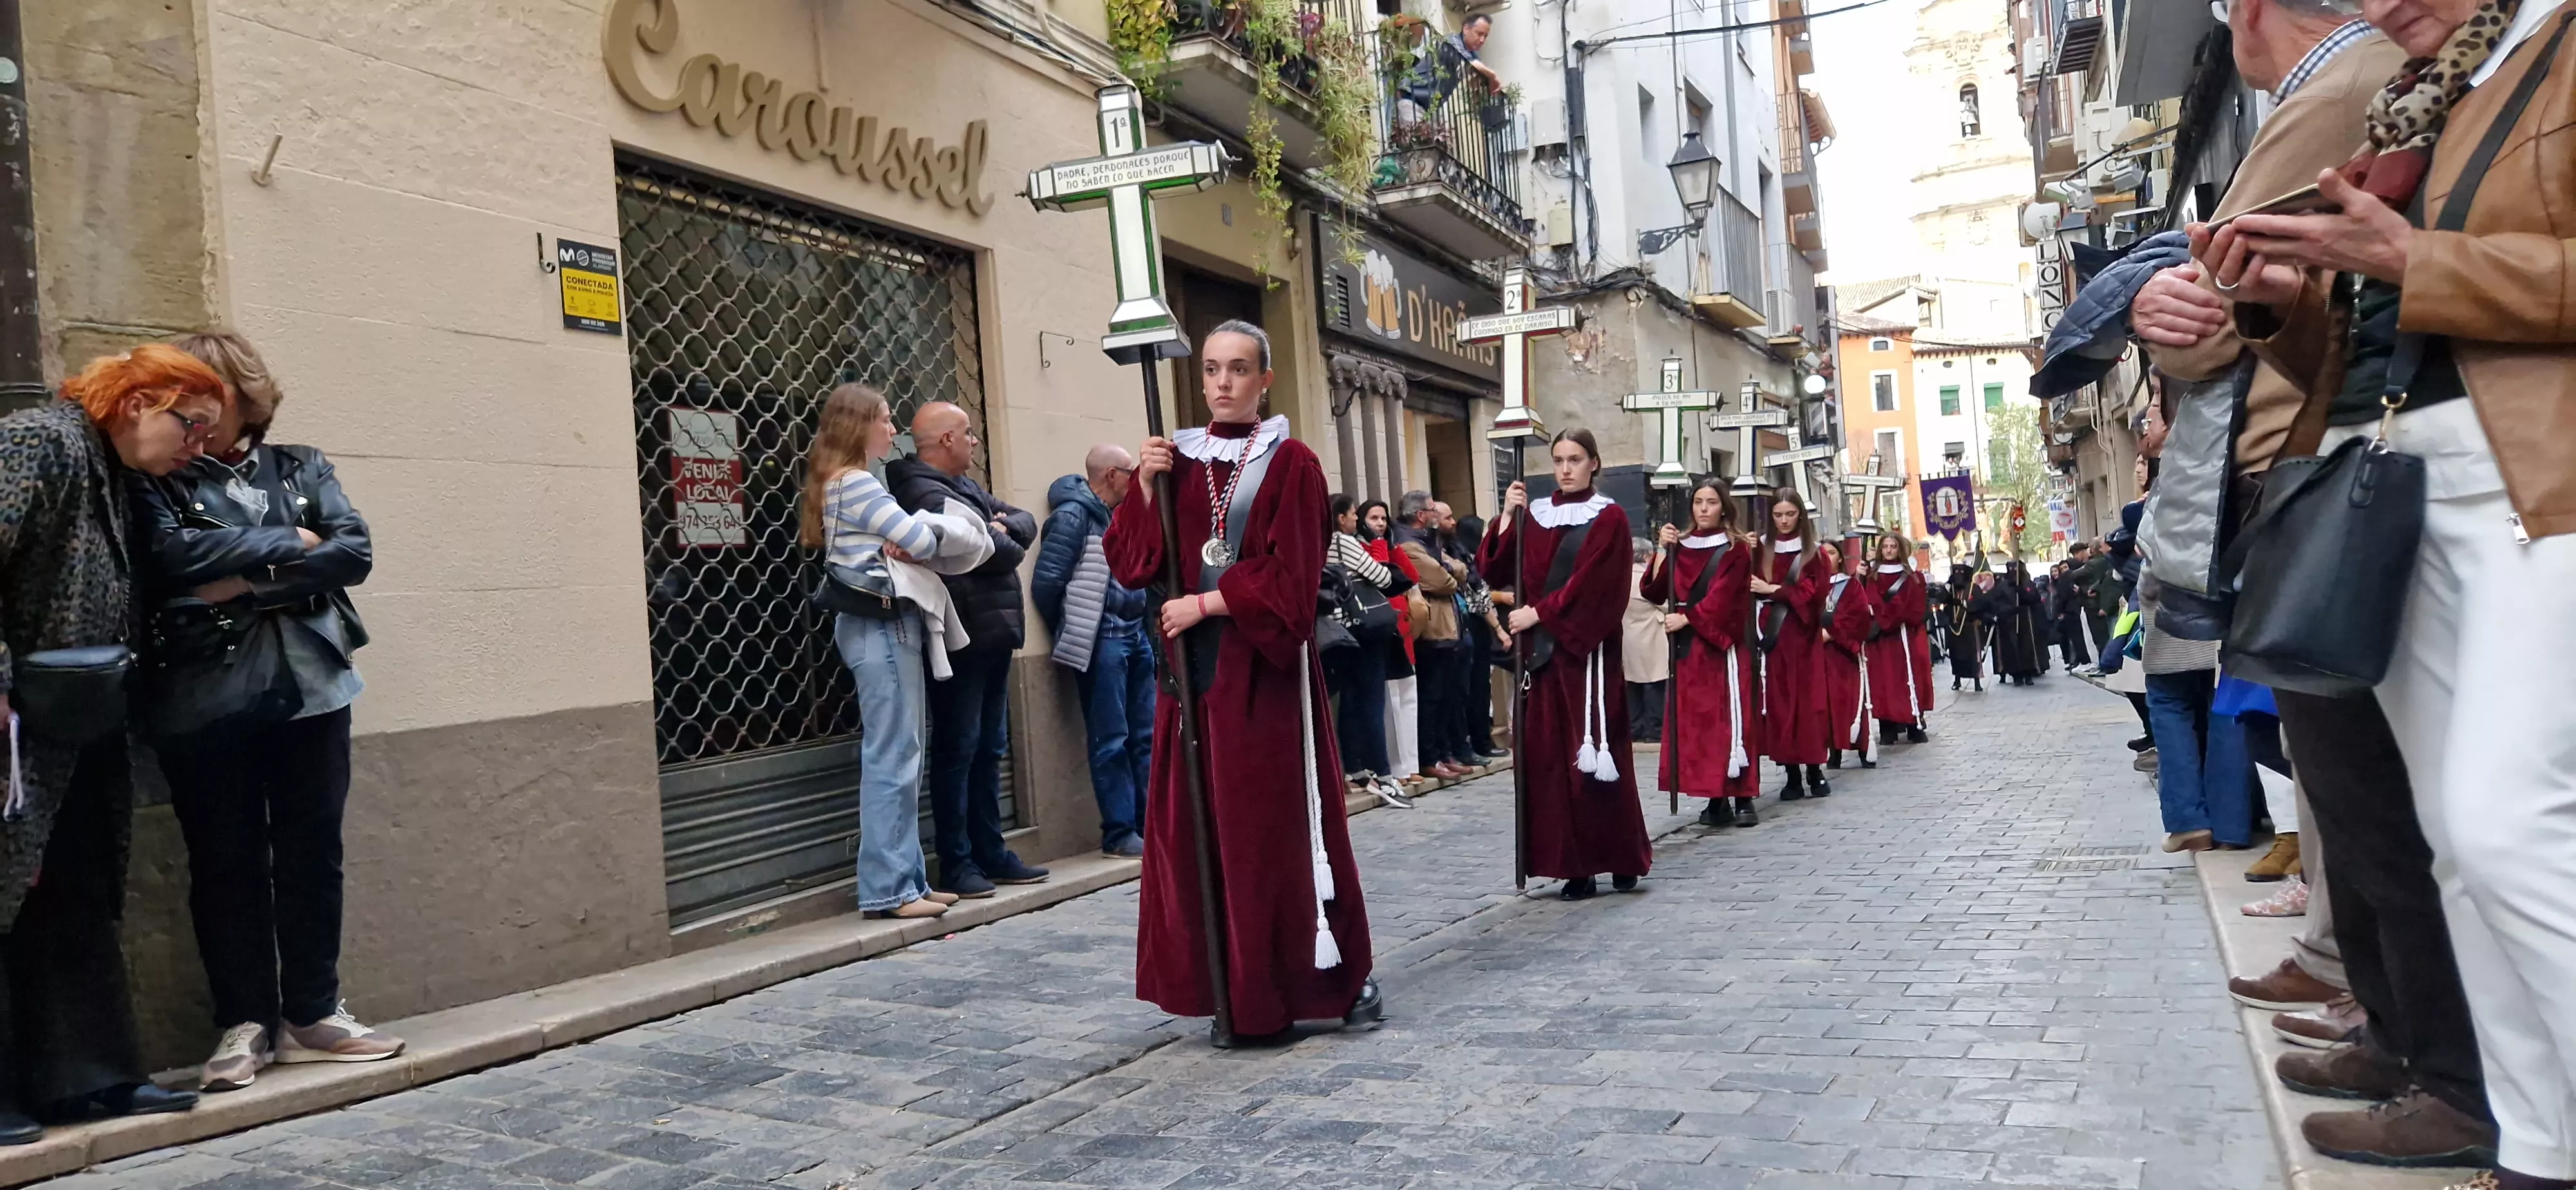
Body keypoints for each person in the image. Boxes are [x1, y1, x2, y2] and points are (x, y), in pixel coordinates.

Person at [2203, 0, 2576, 1171]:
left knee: (2502, 820)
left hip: (2536, 482)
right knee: (2454, 848)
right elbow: (2370, 339)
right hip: (2400, 490)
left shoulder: (2555, 58)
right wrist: (2276, 295)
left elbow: (2445, 283)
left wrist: (2420, 260)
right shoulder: (2421, 103)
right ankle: (2537, 1142)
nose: (2375, 3)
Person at [136, 331, 401, 1095]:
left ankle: (314, 1011)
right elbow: (168, 559)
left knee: (312, 850)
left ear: (242, 400)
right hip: (201, 692)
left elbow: (352, 551)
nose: (190, 421)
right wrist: (294, 543)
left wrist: (249, 585)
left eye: (204, 403)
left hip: (313, 687)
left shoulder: (300, 464)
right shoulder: (157, 478)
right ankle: (246, 1021)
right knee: (226, 860)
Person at [1106, 319, 1378, 1046]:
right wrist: (1142, 486)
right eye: (1212, 370)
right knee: (1202, 832)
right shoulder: (1178, 463)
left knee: (1268, 834)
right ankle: (1224, 986)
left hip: (1261, 682)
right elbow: (1133, 565)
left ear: (1263, 381)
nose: (1223, 383)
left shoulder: (1292, 464)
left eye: (1239, 370)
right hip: (1189, 684)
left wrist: (1209, 601)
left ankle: (1303, 984)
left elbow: (1294, 582)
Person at [0, 345, 225, 1140]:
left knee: (79, 892)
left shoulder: (114, 468)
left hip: (81, 717)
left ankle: (90, 1080)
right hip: (21, 722)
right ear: (139, 403)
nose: (197, 446)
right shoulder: (41, 441)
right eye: (191, 426)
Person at [802, 384, 960, 924]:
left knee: (901, 753)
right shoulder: (860, 485)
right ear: (859, 426)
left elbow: (912, 538)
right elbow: (926, 541)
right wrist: (920, 534)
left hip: (877, 627)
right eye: (886, 420)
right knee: (894, 756)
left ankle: (908, 879)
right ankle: (890, 889)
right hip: (882, 625)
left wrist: (912, 536)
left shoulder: (840, 484)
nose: (893, 431)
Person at [1479, 429, 1653, 900]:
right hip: (1543, 659)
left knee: (1596, 757)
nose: (1565, 469)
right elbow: (1495, 570)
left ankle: (1616, 855)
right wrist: (1508, 515)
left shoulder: (1610, 519)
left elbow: (1597, 585)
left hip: (1586, 654)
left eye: (1575, 459)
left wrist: (1540, 612)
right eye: (1558, 460)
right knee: (1551, 762)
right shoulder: (1535, 514)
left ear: (1594, 463)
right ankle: (1573, 865)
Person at [887, 402, 1049, 899]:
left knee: (989, 746)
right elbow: (995, 550)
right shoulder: (921, 489)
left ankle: (992, 851)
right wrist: (997, 534)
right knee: (960, 748)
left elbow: (1023, 524)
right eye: (968, 434)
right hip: (961, 635)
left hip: (994, 632)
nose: (976, 441)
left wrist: (999, 529)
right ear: (945, 442)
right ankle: (957, 862)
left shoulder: (966, 488)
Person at [1032, 444, 1153, 859]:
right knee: (1112, 739)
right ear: (1111, 476)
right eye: (1129, 472)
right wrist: (1074, 628)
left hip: (1135, 633)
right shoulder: (1073, 517)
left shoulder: (1122, 514)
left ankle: (1150, 824)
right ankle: (1120, 833)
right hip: (1102, 639)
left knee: (1145, 734)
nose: (1135, 479)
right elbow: (1047, 585)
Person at [1640, 478, 1759, 828]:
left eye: (1711, 502)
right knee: (1700, 726)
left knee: (1730, 720)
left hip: (1721, 647)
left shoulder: (1736, 549)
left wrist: (1687, 617)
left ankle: (1743, 796)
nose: (1703, 508)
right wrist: (1662, 550)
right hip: (1689, 651)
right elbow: (1653, 591)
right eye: (1697, 502)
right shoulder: (1681, 546)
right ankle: (1714, 796)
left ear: (1724, 506)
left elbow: (1726, 599)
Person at [1753, 491, 1832, 800]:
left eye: (1789, 514)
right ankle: (1792, 775)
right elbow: (1750, 585)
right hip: (1774, 638)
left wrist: (1774, 589)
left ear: (1800, 515)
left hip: (1803, 636)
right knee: (1781, 705)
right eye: (1778, 515)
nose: (1784, 521)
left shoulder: (1815, 554)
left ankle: (1815, 770)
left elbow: (1813, 596)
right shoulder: (1761, 549)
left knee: (1807, 704)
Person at [1392, 491, 1472, 779]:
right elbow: (1444, 580)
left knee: (1446, 697)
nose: (1437, 517)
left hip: (1447, 628)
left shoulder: (1430, 543)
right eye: (1432, 511)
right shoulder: (1410, 544)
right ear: (1421, 515)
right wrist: (1449, 571)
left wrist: (1449, 569)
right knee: (1431, 697)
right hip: (1431, 630)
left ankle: (1442, 753)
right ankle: (1429, 757)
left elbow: (1457, 569)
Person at [1327, 495, 1402, 800]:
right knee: (1372, 700)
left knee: (1351, 701)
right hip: (1363, 628)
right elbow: (1381, 575)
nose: (1356, 520)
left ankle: (1355, 768)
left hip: (1338, 631)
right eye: (1353, 514)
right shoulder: (1343, 542)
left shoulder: (1320, 544)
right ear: (1340, 518)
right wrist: (1377, 547)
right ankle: (1383, 774)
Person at [1363, 498, 1423, 785]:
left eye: (1384, 518)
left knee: (1409, 698)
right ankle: (1396, 766)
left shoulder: (1387, 544)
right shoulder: (1361, 549)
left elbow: (1410, 576)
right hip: (1382, 628)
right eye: (1374, 518)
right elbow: (1380, 574)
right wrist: (1377, 544)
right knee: (1392, 704)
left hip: (1403, 630)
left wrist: (1392, 544)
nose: (1380, 523)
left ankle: (1411, 764)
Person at [1866, 536, 1934, 744]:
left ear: (1899, 549)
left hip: (1906, 637)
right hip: (1882, 640)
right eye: (1885, 546)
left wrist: (1894, 613)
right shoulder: (1872, 577)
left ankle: (1914, 724)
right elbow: (1870, 602)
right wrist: (1891, 613)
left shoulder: (1913, 578)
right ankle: (1887, 727)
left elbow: (1916, 605)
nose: (1888, 550)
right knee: (1883, 681)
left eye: (1893, 546)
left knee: (1910, 679)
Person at [1819, 543, 1877, 771]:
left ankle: (1862, 747)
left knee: (1850, 700)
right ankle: (1834, 751)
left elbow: (1858, 616)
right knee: (1825, 703)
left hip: (1843, 654)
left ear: (1841, 558)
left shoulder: (1851, 586)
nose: (1826, 557)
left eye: (1831, 553)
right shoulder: (1811, 585)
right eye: (1821, 553)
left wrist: (1832, 633)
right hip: (1817, 653)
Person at [1399, 13, 1504, 119]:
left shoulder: (1473, 54)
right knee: (1414, 135)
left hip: (1428, 108)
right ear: (1466, 29)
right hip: (1411, 98)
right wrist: (1493, 76)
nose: (1482, 40)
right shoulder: (1453, 40)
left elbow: (1476, 74)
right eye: (1479, 34)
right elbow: (1472, 64)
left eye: (1485, 36)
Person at [1622, 536, 1670, 745]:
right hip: (1652, 636)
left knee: (1632, 685)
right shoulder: (1647, 578)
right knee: (1655, 685)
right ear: (1648, 555)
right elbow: (1667, 605)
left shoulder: (1620, 579)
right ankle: (1654, 729)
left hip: (1629, 637)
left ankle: (1635, 728)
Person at [1989, 560, 2046, 685]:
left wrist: (2022, 592)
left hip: (2026, 620)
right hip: (2009, 623)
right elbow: (1995, 603)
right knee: (2012, 650)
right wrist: (2009, 610)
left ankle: (2028, 674)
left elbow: (2035, 599)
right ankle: (2016, 675)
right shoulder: (2002, 586)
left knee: (2027, 648)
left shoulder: (2027, 584)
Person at [1944, 563, 1987, 692]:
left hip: (1970, 627)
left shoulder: (1974, 588)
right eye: (1955, 573)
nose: (1958, 576)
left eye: (1961, 573)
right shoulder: (1950, 590)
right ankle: (1957, 680)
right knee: (1956, 656)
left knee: (1973, 656)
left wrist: (1964, 604)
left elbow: (1980, 605)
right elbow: (1945, 604)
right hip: (1955, 628)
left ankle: (1977, 682)